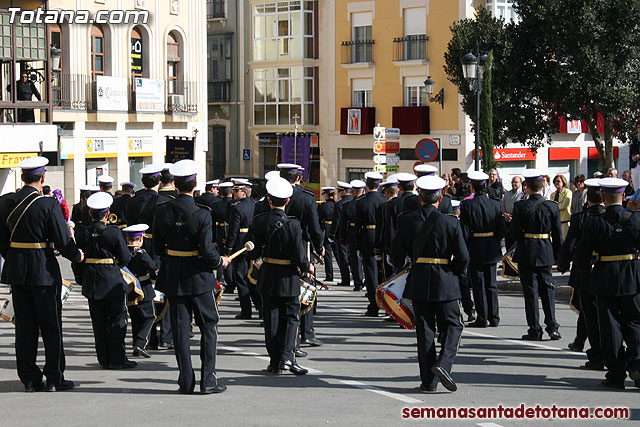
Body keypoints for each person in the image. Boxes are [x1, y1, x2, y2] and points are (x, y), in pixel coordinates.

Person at [0, 156, 83, 392]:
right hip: (44, 271)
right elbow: (62, 239)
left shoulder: (5, 202)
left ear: (23, 177)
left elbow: (2, 240)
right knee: (51, 326)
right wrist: (76, 255)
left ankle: (29, 378)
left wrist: (15, 256)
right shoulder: (47, 205)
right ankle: (55, 377)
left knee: (24, 326)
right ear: (42, 178)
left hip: (17, 272)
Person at [153, 159, 231, 394]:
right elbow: (208, 252)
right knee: (208, 325)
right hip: (199, 277)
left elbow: (157, 247)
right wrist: (220, 261)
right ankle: (208, 380)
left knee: (180, 329)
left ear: (175, 184)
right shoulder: (202, 213)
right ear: (195, 183)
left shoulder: (162, 210)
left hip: (174, 276)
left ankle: (186, 382)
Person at [391, 175, 469, 392]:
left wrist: (405, 269)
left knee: (424, 331)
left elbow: (396, 253)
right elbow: (463, 257)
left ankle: (428, 382)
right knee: (453, 324)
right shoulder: (451, 221)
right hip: (445, 278)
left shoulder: (406, 220)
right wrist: (453, 274)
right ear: (440, 197)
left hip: (419, 279)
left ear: (419, 196)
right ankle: (444, 364)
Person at [574, 177, 640, 389]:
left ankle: (616, 373)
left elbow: (583, 254)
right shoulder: (635, 219)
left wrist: (585, 272)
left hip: (605, 277)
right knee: (635, 322)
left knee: (610, 327)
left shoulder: (594, 222)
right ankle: (638, 366)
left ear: (602, 197)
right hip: (632, 275)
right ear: (623, 196)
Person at [247, 177, 312, 375]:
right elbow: (300, 255)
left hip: (267, 275)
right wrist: (307, 267)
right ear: (288, 201)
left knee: (271, 319)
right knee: (291, 318)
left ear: (269, 200)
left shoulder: (259, 221)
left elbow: (252, 252)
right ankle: (286, 358)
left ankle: (274, 361)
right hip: (289, 277)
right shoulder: (293, 224)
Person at [75, 192, 135, 370]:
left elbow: (76, 260)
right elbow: (125, 258)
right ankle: (117, 358)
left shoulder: (82, 233)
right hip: (111, 280)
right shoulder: (114, 232)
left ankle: (103, 357)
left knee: (98, 321)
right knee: (117, 320)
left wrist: (80, 278)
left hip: (91, 281)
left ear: (90, 214)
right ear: (107, 214)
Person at [509, 169, 563, 341]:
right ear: (542, 186)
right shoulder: (552, 206)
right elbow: (558, 235)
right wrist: (558, 256)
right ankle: (552, 326)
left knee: (531, 292)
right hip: (546, 251)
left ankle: (535, 329)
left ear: (527, 187)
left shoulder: (520, 206)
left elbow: (515, 234)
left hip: (527, 251)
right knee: (548, 290)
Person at [557, 179, 605, 371]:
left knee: (589, 312)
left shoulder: (580, 219)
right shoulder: (613, 217)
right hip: (609, 270)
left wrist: (563, 263)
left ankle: (596, 354)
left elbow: (570, 245)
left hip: (585, 270)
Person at [279, 163, 324, 349]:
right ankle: (306, 332)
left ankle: (287, 335)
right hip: (302, 245)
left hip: (279, 247)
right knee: (306, 288)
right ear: (298, 178)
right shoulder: (306, 198)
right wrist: (319, 246)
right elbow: (314, 227)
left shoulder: (273, 195)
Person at [461, 171, 507, 328]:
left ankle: (482, 316)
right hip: (491, 247)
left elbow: (465, 231)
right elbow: (502, 229)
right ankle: (494, 317)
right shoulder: (495, 204)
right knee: (491, 284)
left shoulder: (467, 205)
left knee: (479, 285)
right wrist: (493, 239)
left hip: (475, 246)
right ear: (485, 186)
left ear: (472, 188)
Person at [123, 224, 158, 359]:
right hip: (144, 288)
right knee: (150, 316)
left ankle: (136, 346)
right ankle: (140, 343)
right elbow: (153, 267)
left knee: (136, 319)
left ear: (127, 239)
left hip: (130, 290)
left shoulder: (124, 253)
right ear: (141, 238)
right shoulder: (142, 254)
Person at [226, 178, 259, 319]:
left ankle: (246, 310)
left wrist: (228, 249)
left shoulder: (237, 207)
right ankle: (261, 308)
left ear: (244, 192)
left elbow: (233, 231)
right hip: (254, 243)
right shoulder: (256, 205)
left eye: (236, 190)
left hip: (240, 245)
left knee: (241, 278)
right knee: (254, 277)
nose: (233, 192)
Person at [356, 172, 386, 317]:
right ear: (379, 185)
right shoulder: (384, 200)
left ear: (366, 185)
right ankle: (387, 304)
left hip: (367, 236)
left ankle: (374, 305)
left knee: (370, 273)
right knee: (385, 272)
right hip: (383, 236)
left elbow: (357, 226)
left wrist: (356, 244)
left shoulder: (361, 201)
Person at [450, 200, 475, 322]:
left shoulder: (448, 223)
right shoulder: (459, 224)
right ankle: (469, 310)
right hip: (461, 258)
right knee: (464, 286)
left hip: (451, 259)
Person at [340, 180, 365, 291]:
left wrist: (343, 239)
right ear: (363, 191)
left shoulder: (347, 205)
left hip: (352, 231)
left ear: (353, 192)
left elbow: (343, 224)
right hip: (365, 231)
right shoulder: (366, 202)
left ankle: (358, 282)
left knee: (354, 259)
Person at [211, 182, 234, 293]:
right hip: (233, 230)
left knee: (222, 254)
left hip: (220, 230)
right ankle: (231, 281)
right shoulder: (235, 204)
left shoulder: (216, 204)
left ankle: (222, 279)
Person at [329, 181, 353, 287]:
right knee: (353, 258)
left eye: (339, 191)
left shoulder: (339, 204)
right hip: (352, 232)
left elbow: (336, 221)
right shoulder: (354, 201)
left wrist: (332, 234)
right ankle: (357, 278)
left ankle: (345, 279)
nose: (338, 193)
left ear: (343, 191)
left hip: (341, 234)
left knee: (343, 258)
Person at [317, 187, 336, 282]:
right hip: (336, 230)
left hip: (327, 229)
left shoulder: (323, 206)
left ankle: (329, 275)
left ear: (326, 195)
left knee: (328, 254)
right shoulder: (336, 205)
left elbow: (319, 220)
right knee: (340, 254)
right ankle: (346, 276)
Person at [501, 175, 524, 250]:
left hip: (517, 222)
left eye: (516, 182)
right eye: (512, 182)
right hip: (508, 222)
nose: (514, 184)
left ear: (520, 183)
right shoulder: (507, 194)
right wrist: (505, 214)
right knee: (508, 244)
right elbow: (502, 205)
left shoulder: (523, 194)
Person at [629, 120, 640, 190]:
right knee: (636, 188)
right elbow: (630, 154)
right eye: (639, 127)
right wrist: (633, 157)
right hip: (635, 166)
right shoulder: (635, 140)